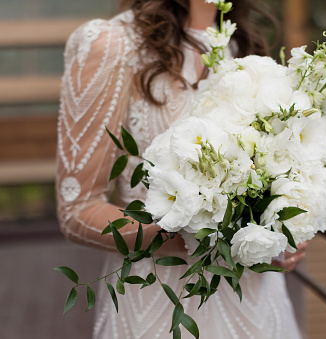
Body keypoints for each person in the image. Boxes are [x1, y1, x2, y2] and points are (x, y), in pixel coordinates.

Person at [56, 0, 306, 338]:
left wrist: (280, 232)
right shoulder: (113, 43)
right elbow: (77, 210)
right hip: (160, 302)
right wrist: (203, 238)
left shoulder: (245, 47)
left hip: (258, 305)